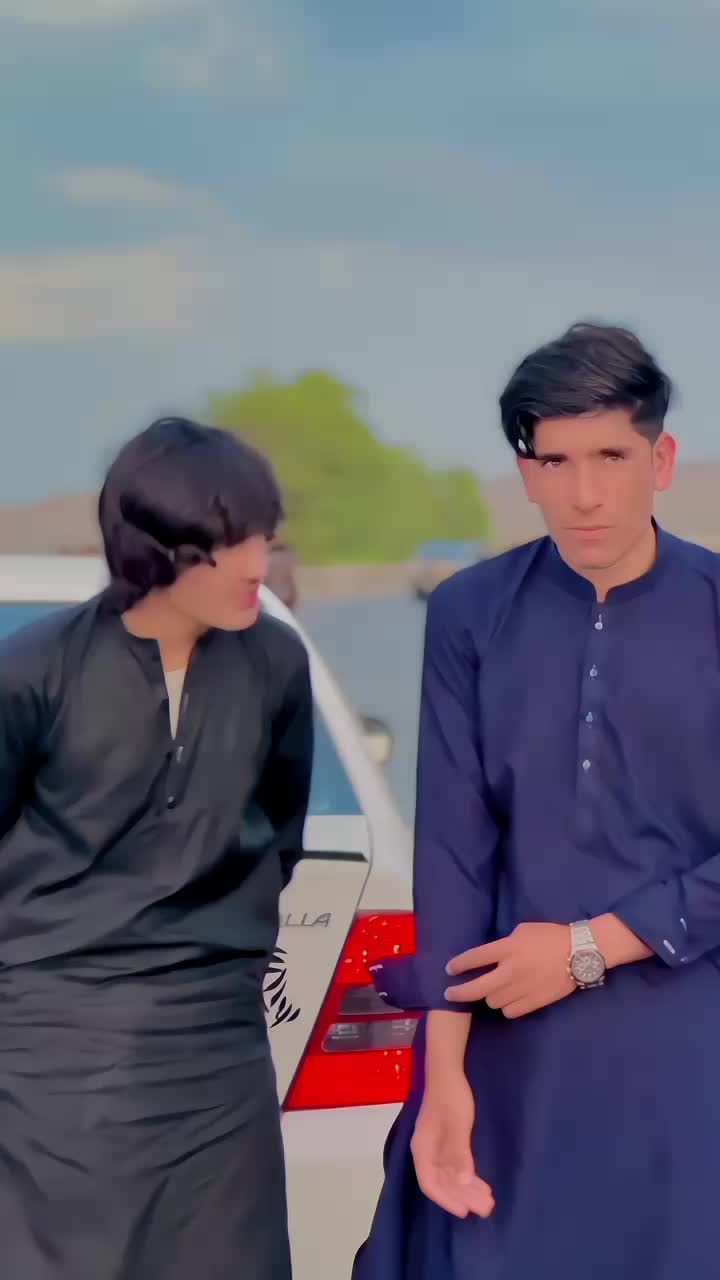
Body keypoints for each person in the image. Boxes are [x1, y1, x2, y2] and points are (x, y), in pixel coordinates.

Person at [353, 322, 720, 1279]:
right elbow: (453, 852)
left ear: (661, 460)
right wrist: (443, 1078)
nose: (583, 492)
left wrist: (587, 947)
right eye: (554, 460)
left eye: (611, 456)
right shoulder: (470, 612)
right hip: (512, 1052)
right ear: (525, 471)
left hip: (689, 1048)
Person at [0, 417, 314, 1280]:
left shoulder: (277, 662)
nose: (257, 565)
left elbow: (279, 833)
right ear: (155, 548)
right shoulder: (31, 672)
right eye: (228, 544)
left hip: (216, 1049)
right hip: (50, 1055)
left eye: (263, 538)